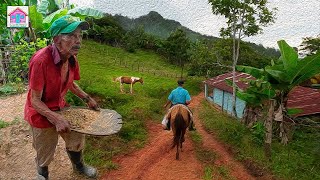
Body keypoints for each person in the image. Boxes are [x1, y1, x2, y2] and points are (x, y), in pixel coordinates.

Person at [24, 15, 99, 179]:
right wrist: (55, 119)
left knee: (76, 136)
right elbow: (34, 100)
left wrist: (87, 98)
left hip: (61, 107)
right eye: (72, 36)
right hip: (41, 113)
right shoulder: (41, 61)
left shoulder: (72, 58)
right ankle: (42, 174)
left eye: (80, 36)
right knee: (45, 149)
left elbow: (70, 83)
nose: (78, 41)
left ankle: (79, 167)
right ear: (57, 40)